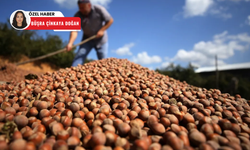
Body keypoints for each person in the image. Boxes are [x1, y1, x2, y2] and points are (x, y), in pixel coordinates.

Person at [66, 0, 114, 67]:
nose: (81, 10)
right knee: (79, 56)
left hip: (101, 39)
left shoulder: (99, 9)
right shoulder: (77, 16)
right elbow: (74, 31)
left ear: (89, 5)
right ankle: (73, 71)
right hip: (87, 39)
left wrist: (102, 30)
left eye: (82, 8)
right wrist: (70, 43)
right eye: (79, 8)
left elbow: (110, 20)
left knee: (103, 60)